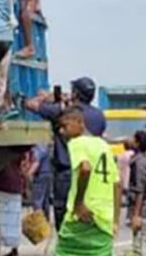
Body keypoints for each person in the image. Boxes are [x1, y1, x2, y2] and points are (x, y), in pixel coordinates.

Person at [25, 77, 108, 229]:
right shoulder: (99, 115)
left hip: (67, 172)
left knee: (63, 212)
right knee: (88, 209)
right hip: (92, 170)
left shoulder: (64, 112)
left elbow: (30, 104)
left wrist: (44, 98)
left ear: (75, 93)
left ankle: (65, 243)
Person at [53, 107, 121, 256]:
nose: (62, 132)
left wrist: (78, 203)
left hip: (83, 215)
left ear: (79, 123)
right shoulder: (103, 145)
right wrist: (115, 220)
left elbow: (85, 168)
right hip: (104, 218)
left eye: (65, 126)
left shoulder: (76, 143)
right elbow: (117, 184)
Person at [129, 130, 146, 256]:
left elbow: (140, 190)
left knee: (141, 246)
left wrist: (136, 215)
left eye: (133, 138)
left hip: (144, 209)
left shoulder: (140, 163)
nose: (129, 140)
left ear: (138, 143)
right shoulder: (144, 160)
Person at [30, 142, 54, 219]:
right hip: (48, 173)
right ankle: (46, 222)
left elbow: (36, 162)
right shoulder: (45, 144)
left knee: (37, 201)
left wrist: (28, 174)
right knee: (45, 202)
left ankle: (39, 223)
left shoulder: (39, 145)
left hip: (40, 175)